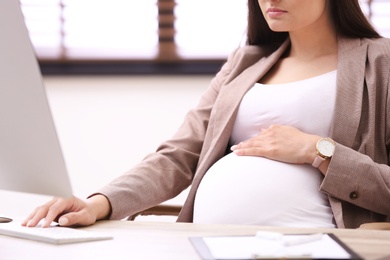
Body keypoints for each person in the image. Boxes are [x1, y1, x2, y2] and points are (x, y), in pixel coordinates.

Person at [24, 0, 390, 229]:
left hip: (320, 245)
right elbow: (179, 155)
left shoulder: (381, 64)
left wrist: (319, 151)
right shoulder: (244, 64)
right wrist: (99, 203)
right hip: (208, 244)